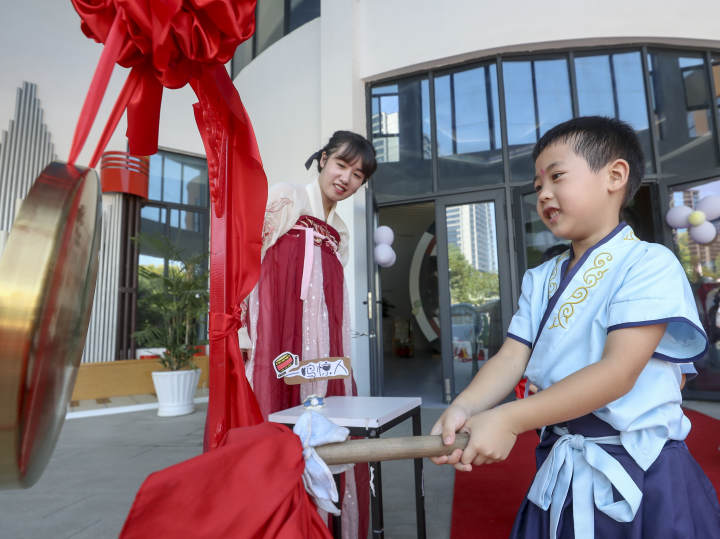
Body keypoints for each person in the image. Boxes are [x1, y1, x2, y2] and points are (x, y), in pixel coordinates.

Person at [431, 116, 720, 538]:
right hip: (560, 461)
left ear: (615, 176)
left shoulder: (648, 263)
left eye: (557, 176)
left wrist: (509, 419)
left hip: (641, 471)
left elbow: (618, 373)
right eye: (538, 186)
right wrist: (464, 407)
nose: (544, 193)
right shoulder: (539, 277)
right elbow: (512, 355)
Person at [241, 130, 377, 539]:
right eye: (341, 164)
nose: (346, 178)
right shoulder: (287, 198)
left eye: (358, 175)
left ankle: (317, 525)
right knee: (274, 427)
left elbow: (331, 303)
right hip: (278, 344)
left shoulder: (342, 233)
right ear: (322, 159)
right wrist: (244, 339)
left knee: (326, 429)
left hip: (323, 354)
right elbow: (249, 262)